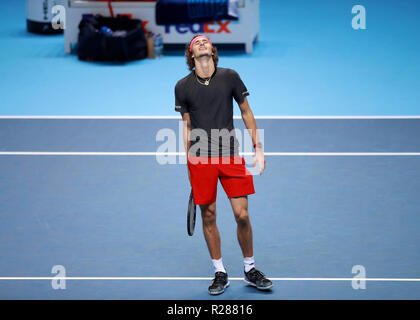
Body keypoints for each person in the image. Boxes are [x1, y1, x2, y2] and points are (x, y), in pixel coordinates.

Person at [174, 34, 273, 295]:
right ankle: (220, 272)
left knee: (242, 214)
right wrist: (189, 163)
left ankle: (250, 269)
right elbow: (187, 127)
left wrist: (258, 148)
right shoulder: (182, 87)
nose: (203, 43)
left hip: (230, 154)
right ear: (191, 54)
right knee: (209, 215)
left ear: (213, 50)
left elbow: (246, 111)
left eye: (206, 41)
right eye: (197, 42)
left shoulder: (230, 76)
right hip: (201, 159)